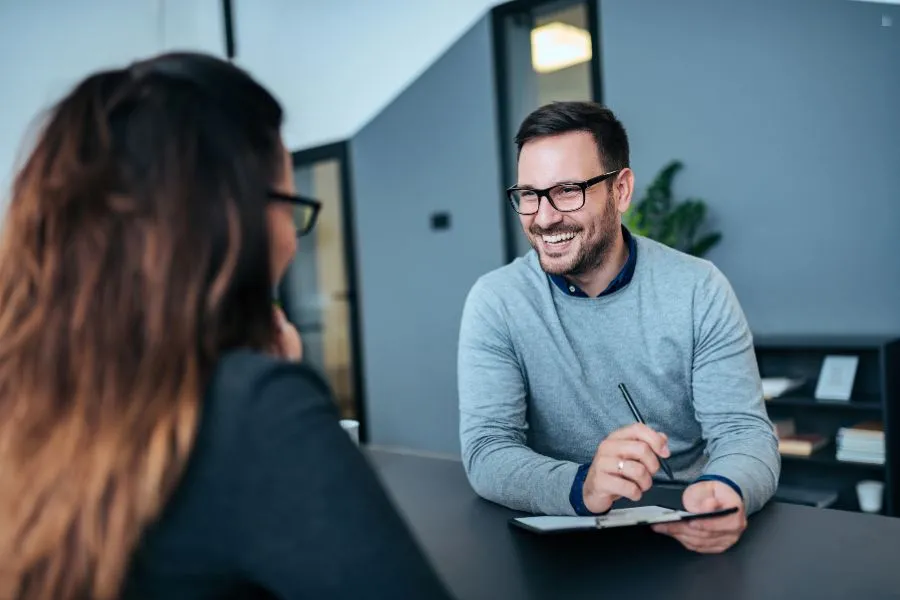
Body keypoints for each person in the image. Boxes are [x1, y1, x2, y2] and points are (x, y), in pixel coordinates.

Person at [0, 52, 452, 599]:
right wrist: (272, 390)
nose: (292, 240)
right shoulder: (252, 411)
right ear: (228, 221)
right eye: (290, 204)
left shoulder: (26, 398)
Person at [458, 101, 780, 554]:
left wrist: (727, 489)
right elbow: (488, 451)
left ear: (621, 190)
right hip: (560, 543)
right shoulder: (497, 301)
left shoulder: (697, 288)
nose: (544, 217)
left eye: (568, 190)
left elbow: (744, 432)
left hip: (683, 530)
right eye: (529, 194)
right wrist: (583, 485)